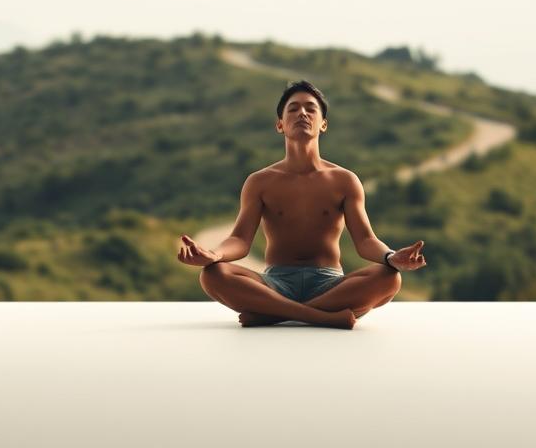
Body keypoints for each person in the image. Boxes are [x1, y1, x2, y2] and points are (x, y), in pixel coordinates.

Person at [177, 79, 427, 329]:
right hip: (275, 283)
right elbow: (240, 240)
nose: (302, 113)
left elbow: (365, 241)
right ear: (280, 125)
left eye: (310, 108)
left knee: (389, 278)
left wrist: (391, 257)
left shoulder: (345, 180)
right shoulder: (260, 181)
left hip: (330, 284)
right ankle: (320, 316)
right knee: (213, 275)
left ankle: (274, 314)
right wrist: (214, 254)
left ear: (323, 124)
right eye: (293, 109)